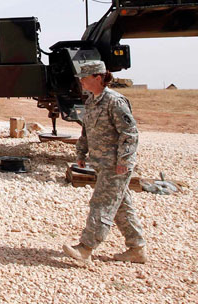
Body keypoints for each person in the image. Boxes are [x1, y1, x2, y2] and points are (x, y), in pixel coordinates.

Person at [62, 60, 147, 265]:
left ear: (98, 77)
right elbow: (86, 130)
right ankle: (137, 249)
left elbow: (130, 133)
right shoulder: (91, 101)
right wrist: (81, 152)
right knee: (121, 206)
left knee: (101, 203)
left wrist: (125, 161)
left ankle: (85, 248)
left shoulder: (115, 102)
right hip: (100, 163)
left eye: (85, 77)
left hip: (115, 165)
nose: (81, 81)